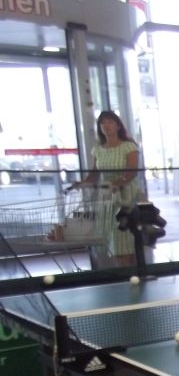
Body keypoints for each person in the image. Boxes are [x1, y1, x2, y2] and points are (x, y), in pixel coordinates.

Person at [69, 110, 143, 267]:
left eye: (110, 122)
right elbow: (94, 175)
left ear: (118, 126)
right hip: (107, 198)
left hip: (126, 197)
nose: (106, 126)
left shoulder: (128, 146)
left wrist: (116, 183)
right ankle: (126, 272)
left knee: (124, 236)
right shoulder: (98, 149)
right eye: (103, 123)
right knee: (115, 241)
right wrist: (81, 183)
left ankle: (130, 271)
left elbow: (132, 172)